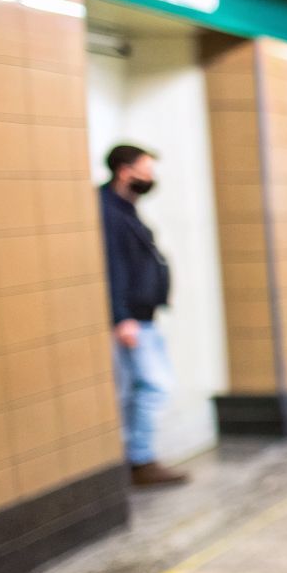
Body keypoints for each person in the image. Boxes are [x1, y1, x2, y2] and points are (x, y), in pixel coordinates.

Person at [98, 144, 188, 487]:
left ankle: (138, 457)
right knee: (154, 386)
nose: (151, 178)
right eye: (146, 170)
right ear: (125, 171)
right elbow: (113, 266)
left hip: (143, 316)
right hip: (132, 319)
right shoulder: (109, 211)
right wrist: (122, 316)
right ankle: (139, 459)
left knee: (143, 387)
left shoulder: (125, 208)